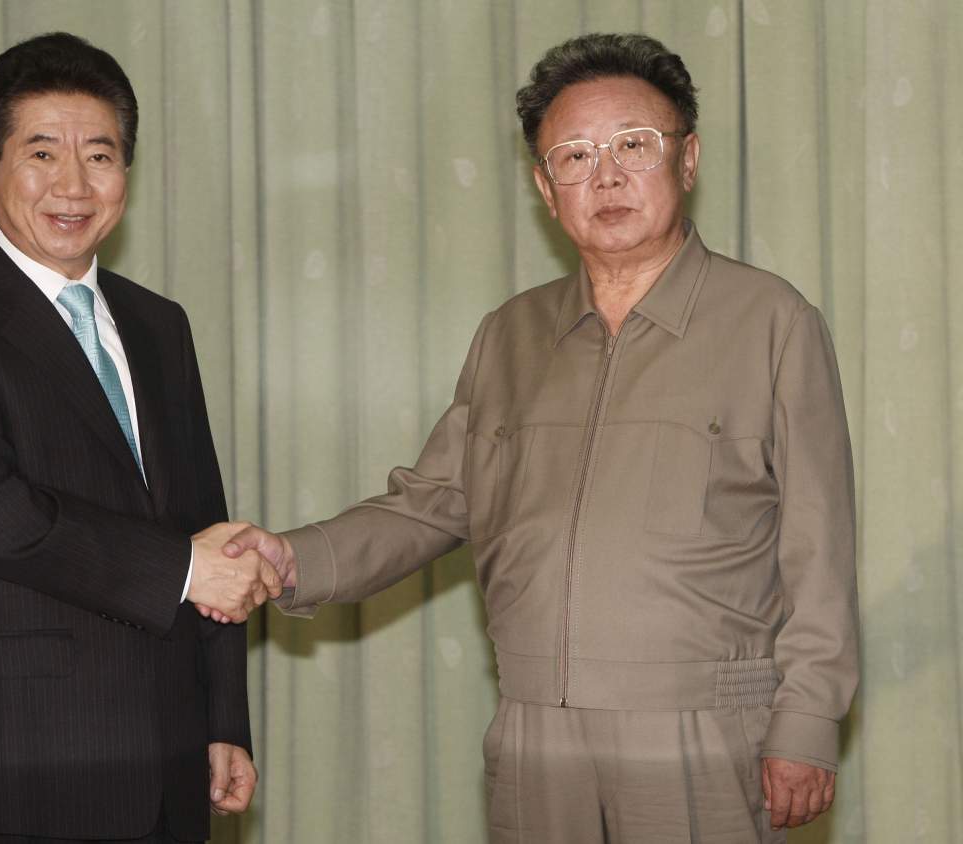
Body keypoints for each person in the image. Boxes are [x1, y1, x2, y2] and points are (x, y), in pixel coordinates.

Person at [217, 32, 858, 843]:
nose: (608, 175)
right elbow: (432, 505)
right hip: (533, 739)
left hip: (703, 732)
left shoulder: (772, 322)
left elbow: (819, 546)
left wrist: (807, 722)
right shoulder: (509, 335)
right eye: (575, 156)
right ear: (544, 189)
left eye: (635, 145)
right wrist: (291, 557)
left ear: (687, 160)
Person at [0, 32, 280, 844]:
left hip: (168, 751)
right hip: (17, 757)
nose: (74, 184)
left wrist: (222, 714)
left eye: (100, 155)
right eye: (42, 153)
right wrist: (189, 569)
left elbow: (204, 517)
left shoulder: (161, 325)